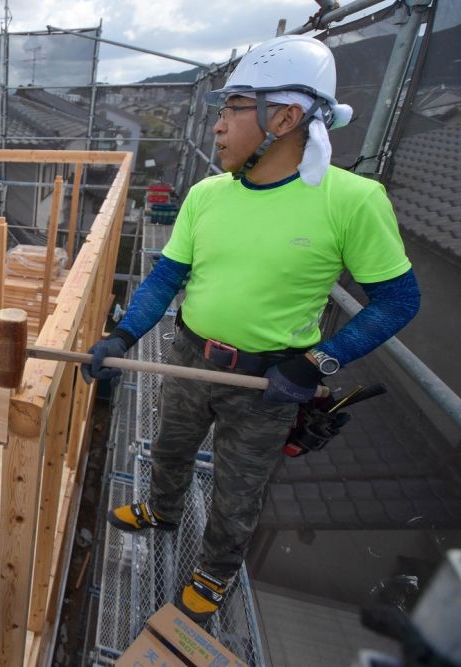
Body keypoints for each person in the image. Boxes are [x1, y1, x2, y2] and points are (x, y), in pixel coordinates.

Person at [81, 35, 420, 624]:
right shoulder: (208, 195)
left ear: (284, 116)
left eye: (232, 108)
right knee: (170, 446)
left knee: (238, 490)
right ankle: (161, 510)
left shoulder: (352, 201)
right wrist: (122, 337)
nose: (216, 126)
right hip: (190, 354)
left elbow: (397, 301)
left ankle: (215, 570)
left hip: (271, 382)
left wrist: (318, 364)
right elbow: (164, 280)